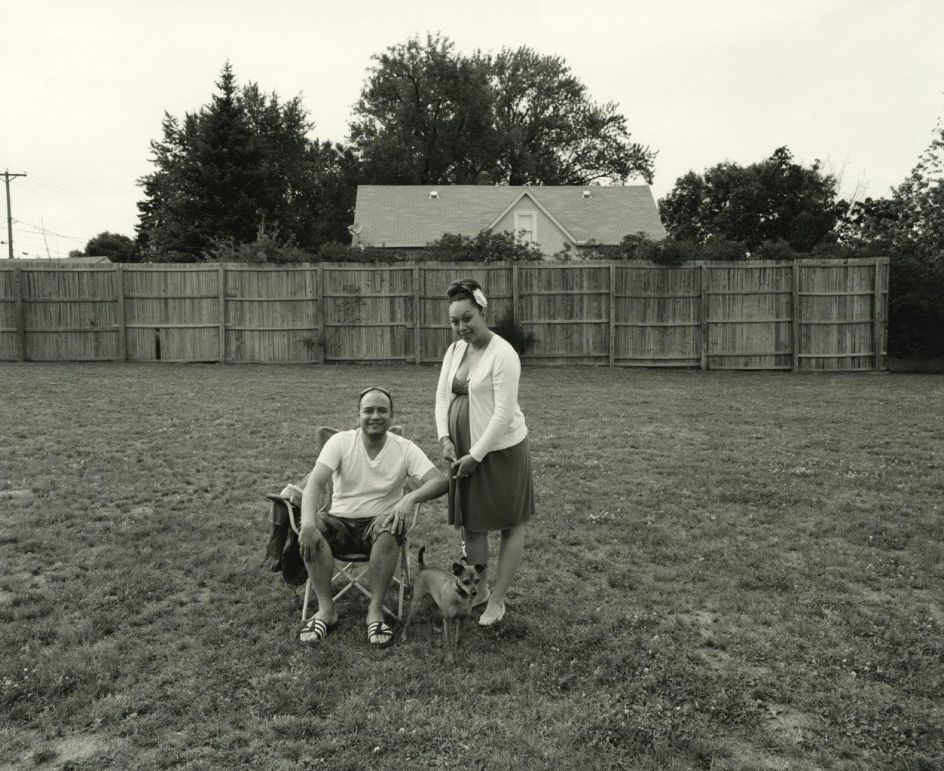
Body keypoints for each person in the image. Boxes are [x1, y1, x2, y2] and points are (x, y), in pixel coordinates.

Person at [297, 387, 447, 647]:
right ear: (358, 415)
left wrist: (408, 499)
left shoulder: (404, 448)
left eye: (382, 410)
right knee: (315, 527)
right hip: (340, 522)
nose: (375, 416)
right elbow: (314, 484)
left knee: (391, 528)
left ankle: (375, 611)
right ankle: (326, 610)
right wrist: (308, 523)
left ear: (391, 415)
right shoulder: (341, 442)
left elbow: (440, 481)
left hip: (379, 525)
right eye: (368, 410)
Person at [435, 278, 535, 626]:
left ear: (482, 311)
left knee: (510, 524)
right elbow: (442, 398)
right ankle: (479, 593)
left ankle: (499, 600)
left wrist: (476, 455)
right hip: (463, 451)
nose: (461, 327)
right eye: (454, 321)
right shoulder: (453, 351)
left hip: (501, 451)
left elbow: (503, 414)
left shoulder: (503, 354)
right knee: (473, 526)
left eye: (467, 318)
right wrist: (445, 439)